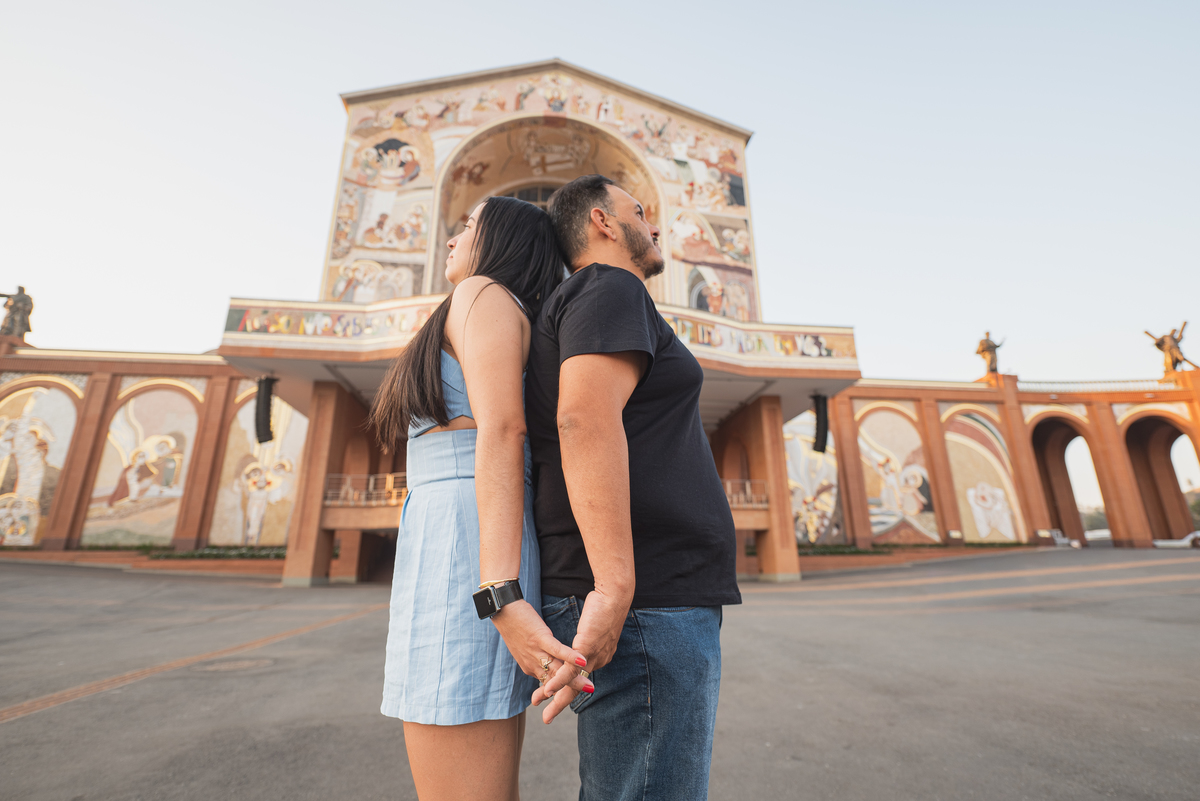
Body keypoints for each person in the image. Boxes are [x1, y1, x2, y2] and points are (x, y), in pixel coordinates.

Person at [526, 175, 741, 800]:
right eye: (640, 212)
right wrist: (615, 588)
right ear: (600, 221)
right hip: (646, 599)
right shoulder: (610, 285)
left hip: (649, 599)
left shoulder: (593, 296)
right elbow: (583, 418)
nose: (655, 225)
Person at [370, 196, 593, 801]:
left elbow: (503, 428)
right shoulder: (497, 303)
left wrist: (499, 594)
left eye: (468, 225)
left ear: (502, 239)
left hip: (461, 534)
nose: (452, 236)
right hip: (461, 523)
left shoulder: (481, 293)